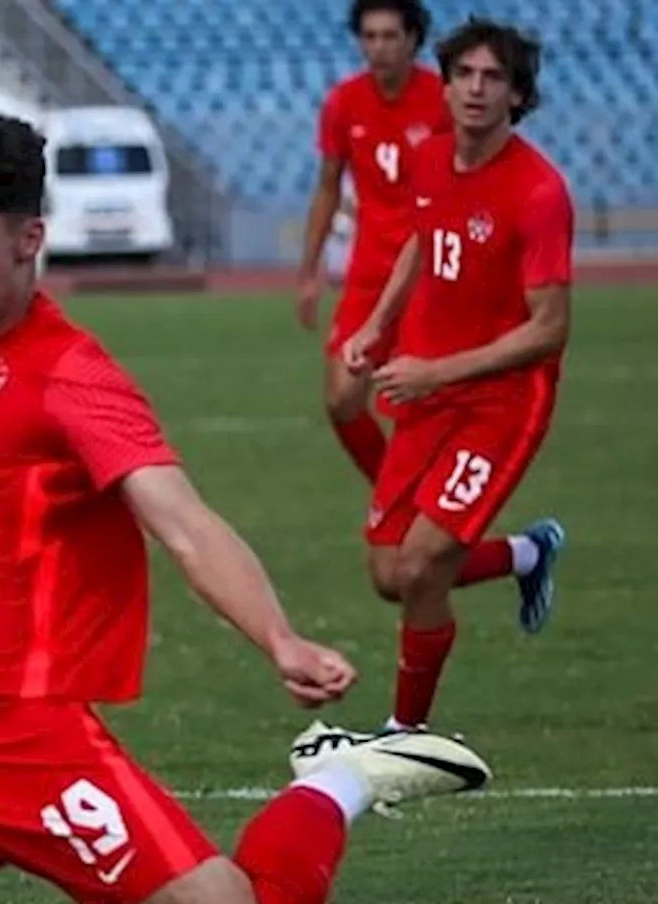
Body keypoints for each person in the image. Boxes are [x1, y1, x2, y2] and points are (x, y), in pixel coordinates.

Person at [0, 111, 493, 904]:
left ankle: (337, 782)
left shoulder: (72, 377)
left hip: (23, 743)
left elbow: (184, 524)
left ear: (29, 238)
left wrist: (278, 637)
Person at [317, 18, 570, 742]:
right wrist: (375, 328)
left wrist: (437, 371)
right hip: (428, 387)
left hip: (502, 402)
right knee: (390, 572)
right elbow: (420, 248)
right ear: (449, 82)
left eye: (495, 78)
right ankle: (528, 552)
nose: (476, 89)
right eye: (465, 74)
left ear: (518, 96)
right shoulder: (430, 162)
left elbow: (549, 329)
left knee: (425, 563)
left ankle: (406, 736)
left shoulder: (539, 193)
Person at [297, 0, 449, 482]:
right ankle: (394, 489)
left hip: (428, 275)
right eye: (369, 37)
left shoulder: (442, 100)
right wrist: (309, 271)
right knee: (342, 399)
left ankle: (424, 507)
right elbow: (327, 187)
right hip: (368, 274)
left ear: (412, 40)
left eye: (389, 36)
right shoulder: (344, 102)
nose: (378, 48)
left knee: (419, 403)